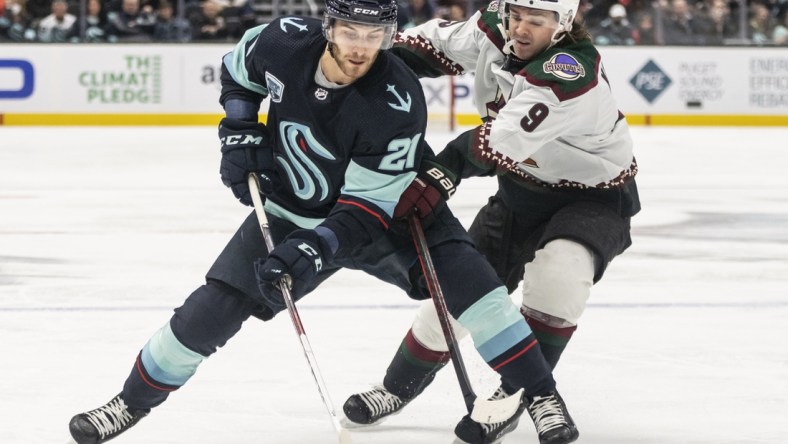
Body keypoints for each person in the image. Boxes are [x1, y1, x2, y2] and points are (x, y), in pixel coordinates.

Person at [67, 0, 579, 443]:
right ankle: (127, 403)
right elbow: (237, 74)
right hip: (291, 211)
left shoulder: (396, 99)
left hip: (391, 216)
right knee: (209, 311)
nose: (361, 48)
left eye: (374, 36)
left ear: (387, 35)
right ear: (329, 28)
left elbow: (365, 211)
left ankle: (540, 395)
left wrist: (313, 249)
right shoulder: (282, 40)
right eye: (351, 33)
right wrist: (240, 129)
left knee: (474, 287)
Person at [343, 0, 640, 442]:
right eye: (515, 15)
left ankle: (521, 393)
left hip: (592, 198)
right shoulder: (493, 30)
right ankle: (396, 387)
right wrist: (367, 61)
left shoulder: (570, 71)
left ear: (562, 26)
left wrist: (440, 175)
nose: (520, 29)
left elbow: (498, 139)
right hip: (519, 195)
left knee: (561, 272)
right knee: (456, 292)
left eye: (536, 21)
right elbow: (426, 46)